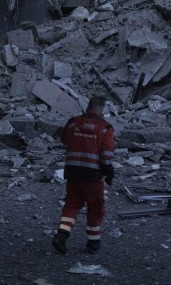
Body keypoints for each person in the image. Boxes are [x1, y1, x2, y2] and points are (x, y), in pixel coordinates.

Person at [52, 95, 115, 255]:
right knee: (95, 207)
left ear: (88, 107)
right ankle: (93, 243)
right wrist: (108, 173)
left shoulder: (73, 123)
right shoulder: (105, 128)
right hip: (93, 176)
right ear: (102, 110)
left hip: (73, 172)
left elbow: (64, 139)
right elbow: (107, 154)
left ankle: (61, 236)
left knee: (72, 205)